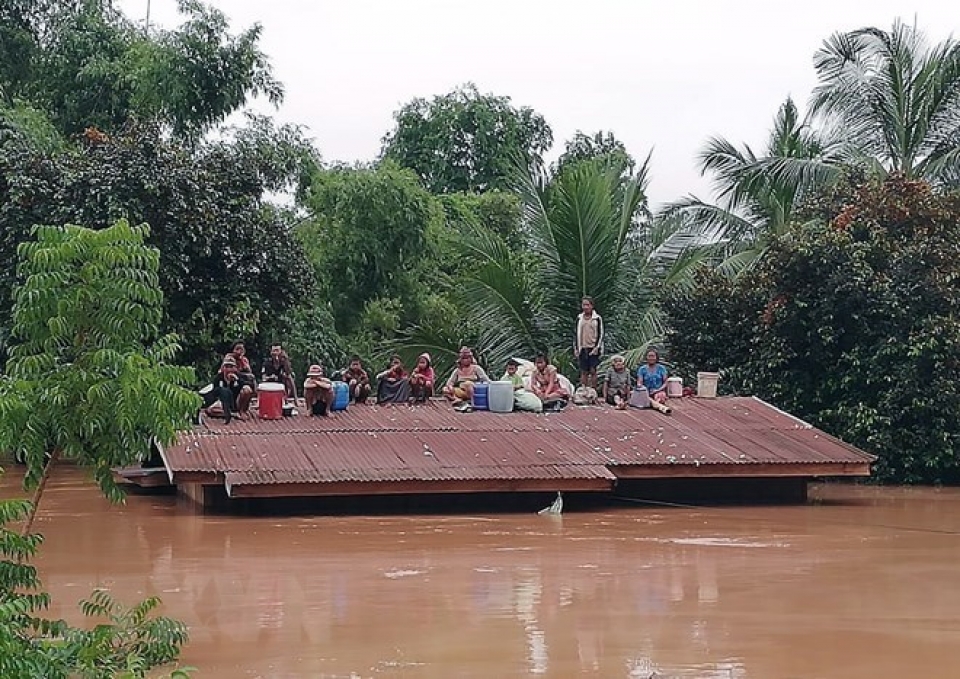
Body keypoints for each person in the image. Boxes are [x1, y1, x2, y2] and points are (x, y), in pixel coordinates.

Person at [199, 355, 242, 424]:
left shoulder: (238, 377)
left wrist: (236, 380)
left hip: (234, 401)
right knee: (210, 410)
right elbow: (215, 391)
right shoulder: (219, 377)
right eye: (226, 367)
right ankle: (230, 414)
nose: (228, 369)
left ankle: (233, 412)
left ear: (235, 368)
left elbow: (243, 388)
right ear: (223, 368)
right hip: (220, 402)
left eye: (231, 367)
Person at [574, 297, 604, 391]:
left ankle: (593, 391)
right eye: (584, 305)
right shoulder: (579, 318)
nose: (585, 307)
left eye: (587, 305)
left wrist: (597, 347)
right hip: (582, 347)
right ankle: (584, 390)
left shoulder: (597, 318)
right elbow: (575, 333)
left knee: (593, 370)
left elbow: (601, 333)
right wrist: (575, 348)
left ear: (592, 306)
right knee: (583, 371)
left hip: (593, 347)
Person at [229, 341, 255, 416]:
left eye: (242, 349)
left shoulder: (244, 360)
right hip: (232, 387)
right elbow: (232, 372)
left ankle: (243, 409)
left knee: (248, 389)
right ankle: (237, 411)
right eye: (237, 349)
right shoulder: (230, 358)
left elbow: (250, 373)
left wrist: (243, 362)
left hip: (243, 384)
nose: (240, 352)